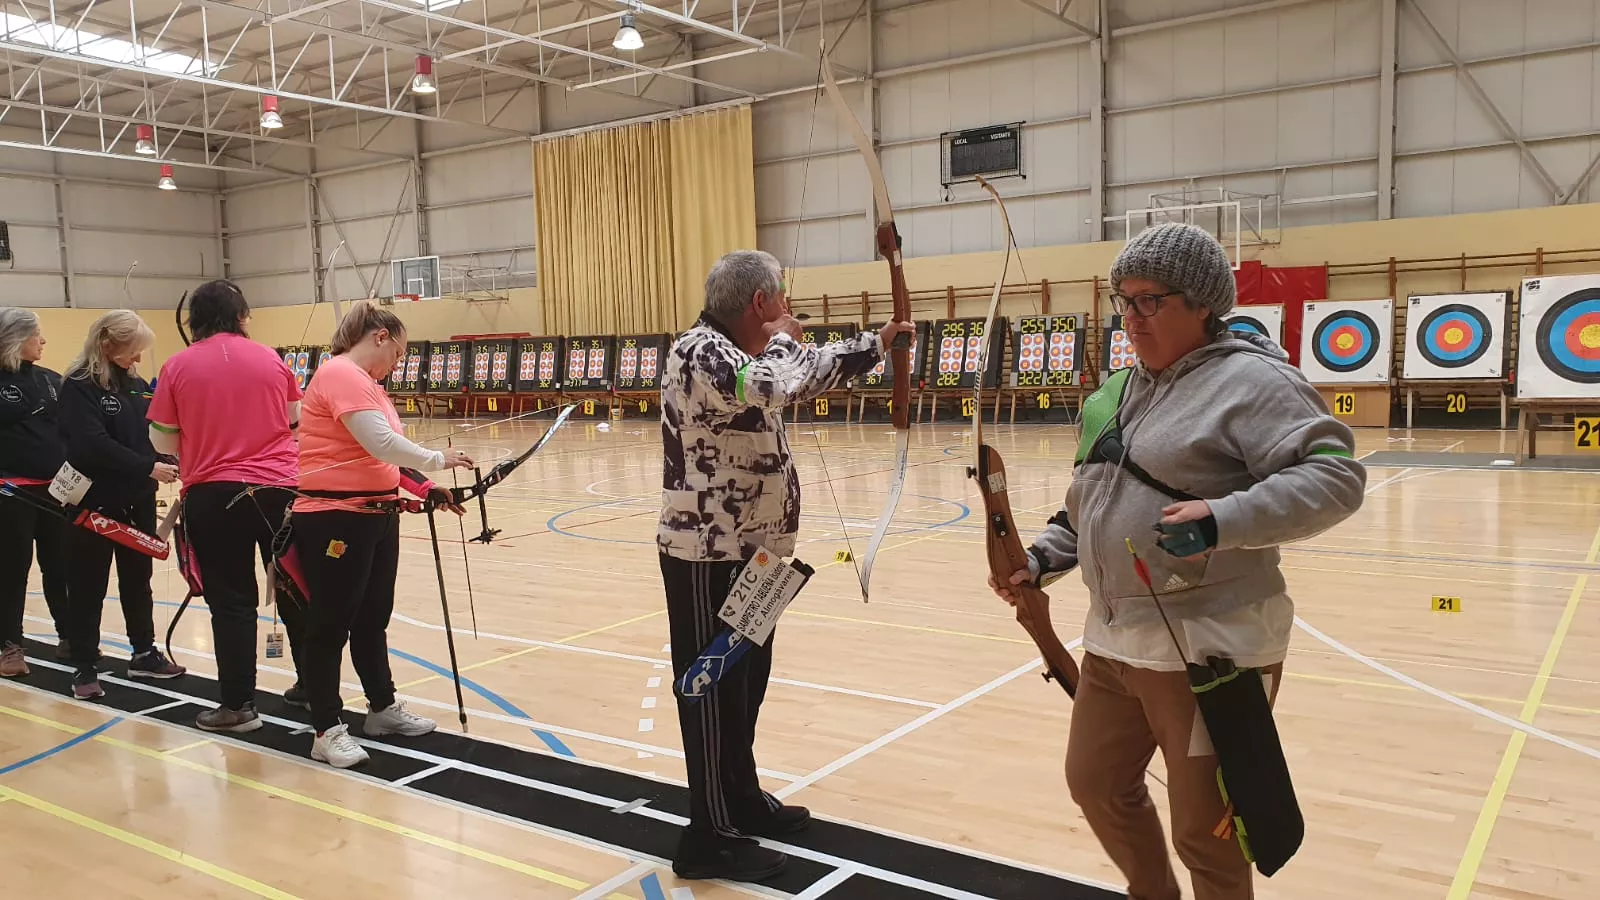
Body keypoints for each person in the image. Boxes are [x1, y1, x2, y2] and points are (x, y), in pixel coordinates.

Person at [991, 223, 1366, 900]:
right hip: (1114, 638)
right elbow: (1091, 502)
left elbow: (1336, 476)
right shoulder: (1117, 391)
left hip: (1211, 646)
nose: (1130, 319)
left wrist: (1225, 520)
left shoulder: (1252, 382)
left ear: (1202, 304)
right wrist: (1043, 558)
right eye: (1122, 302)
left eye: (1149, 301)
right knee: (1097, 784)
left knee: (1208, 830)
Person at [657, 249, 915, 881]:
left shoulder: (746, 355)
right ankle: (708, 836)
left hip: (760, 554)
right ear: (759, 305)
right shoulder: (699, 351)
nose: (788, 311)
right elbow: (774, 381)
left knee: (747, 682)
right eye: (781, 301)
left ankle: (740, 799)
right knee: (711, 686)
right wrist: (782, 343)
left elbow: (809, 370)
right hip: (706, 551)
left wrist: (879, 343)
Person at [291, 301, 472, 769]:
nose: (399, 363)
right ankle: (327, 729)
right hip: (335, 519)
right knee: (330, 624)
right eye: (399, 352)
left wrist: (428, 488)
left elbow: (382, 462)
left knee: (372, 618)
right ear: (380, 336)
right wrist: (436, 459)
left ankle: (381, 709)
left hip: (375, 516)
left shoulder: (369, 386)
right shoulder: (339, 374)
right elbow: (381, 443)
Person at [148, 280, 308, 733]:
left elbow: (161, 439)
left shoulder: (177, 365)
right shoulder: (271, 358)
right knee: (294, 592)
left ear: (194, 320)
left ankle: (238, 707)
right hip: (279, 490)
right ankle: (314, 689)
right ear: (240, 316)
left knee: (232, 602)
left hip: (214, 496)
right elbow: (295, 421)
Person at [58, 310, 187, 699]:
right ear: (106, 344)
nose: (136, 360)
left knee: (138, 580)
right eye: (132, 351)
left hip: (137, 497)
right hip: (93, 502)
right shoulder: (78, 386)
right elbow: (91, 444)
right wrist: (147, 466)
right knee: (88, 584)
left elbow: (146, 434)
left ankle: (143, 653)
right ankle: (83, 665)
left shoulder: (132, 384)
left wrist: (163, 458)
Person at [0, 308, 71, 677]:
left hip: (55, 489)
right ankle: (9, 646)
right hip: (10, 491)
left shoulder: (50, 380)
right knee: (12, 570)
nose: (43, 341)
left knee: (60, 565)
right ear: (14, 338)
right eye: (36, 335)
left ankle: (70, 635)